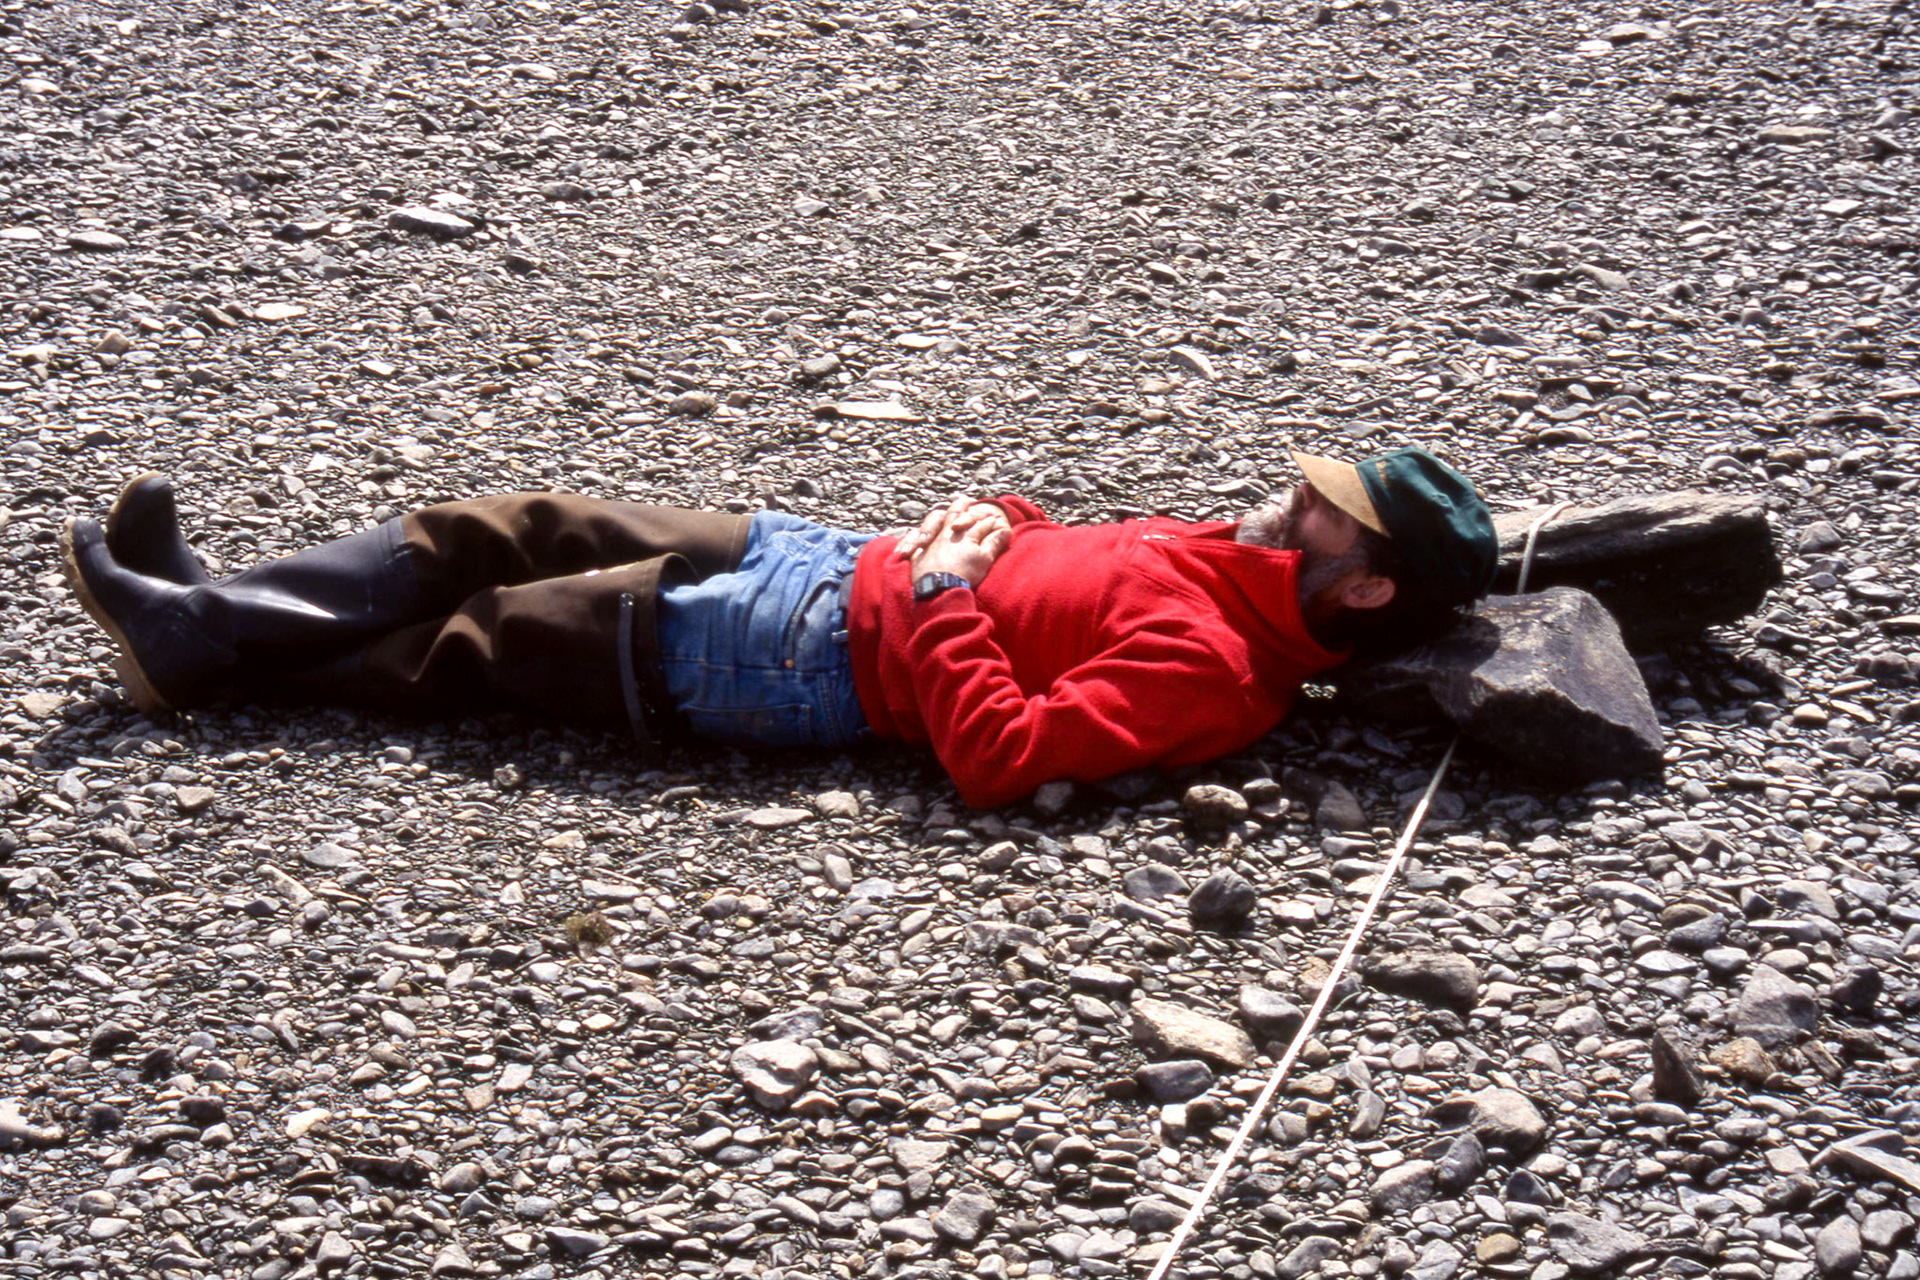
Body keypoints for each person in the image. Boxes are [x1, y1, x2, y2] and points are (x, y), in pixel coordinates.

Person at [62, 446, 1497, 808]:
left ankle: (196, 649)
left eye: (1326, 516)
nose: (1289, 500)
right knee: (507, 523)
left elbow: (1001, 757)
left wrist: (943, 599)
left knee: (484, 638)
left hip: (799, 660)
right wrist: (993, 518)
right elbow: (1065, 552)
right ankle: (222, 605)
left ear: (1362, 591)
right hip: (826, 555)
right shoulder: (1231, 559)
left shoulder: (1228, 677)